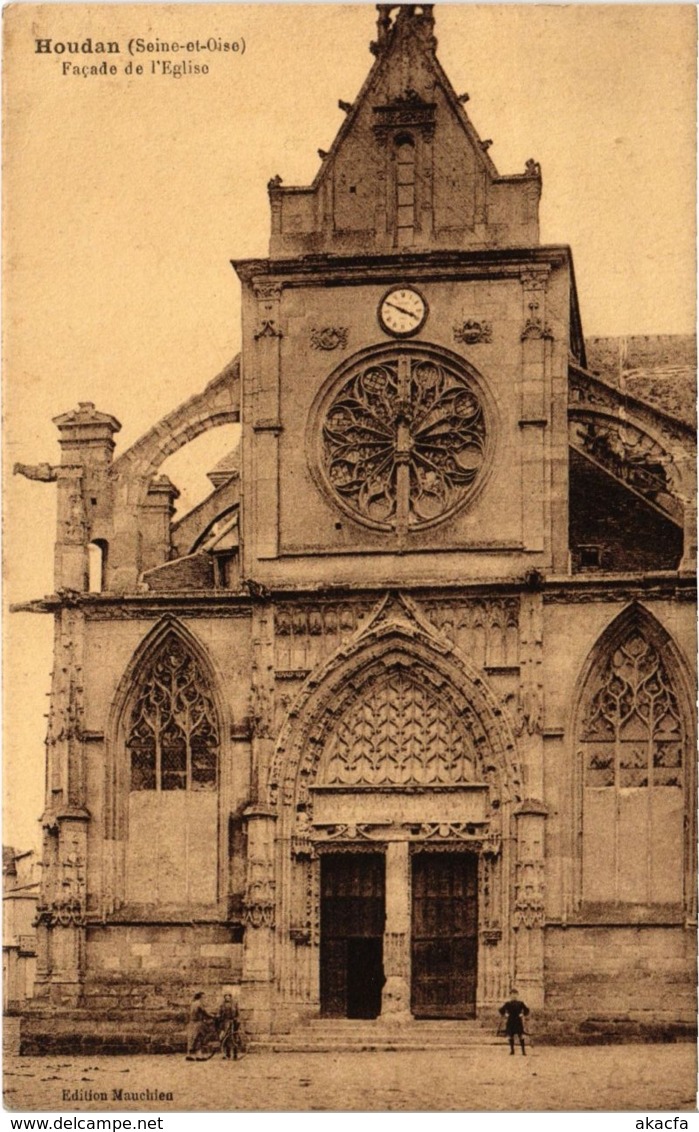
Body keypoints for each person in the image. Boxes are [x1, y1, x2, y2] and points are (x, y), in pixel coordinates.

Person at [499, 988, 530, 1055]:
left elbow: (527, 1010)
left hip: (518, 1021)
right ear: (510, 995)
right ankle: (512, 1051)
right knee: (510, 1036)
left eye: (515, 994)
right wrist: (505, 1014)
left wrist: (522, 1014)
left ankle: (523, 1051)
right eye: (512, 994)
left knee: (521, 1036)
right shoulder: (508, 1003)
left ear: (517, 995)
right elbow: (501, 1010)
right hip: (510, 1020)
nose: (514, 996)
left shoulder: (520, 1003)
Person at [186, 991, 211, 1060]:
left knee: (191, 1039)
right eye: (204, 997)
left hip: (191, 1023)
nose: (205, 999)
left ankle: (189, 1055)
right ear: (200, 997)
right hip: (198, 1023)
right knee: (199, 1038)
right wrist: (213, 1016)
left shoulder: (193, 1003)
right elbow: (205, 1013)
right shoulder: (199, 1004)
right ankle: (199, 1056)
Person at [217, 993, 241, 1060]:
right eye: (226, 997)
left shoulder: (235, 1004)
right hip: (225, 1023)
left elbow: (238, 1013)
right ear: (224, 998)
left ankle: (235, 1055)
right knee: (226, 1038)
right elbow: (219, 1013)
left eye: (228, 997)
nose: (227, 998)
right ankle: (227, 1054)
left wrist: (237, 1020)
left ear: (230, 997)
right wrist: (218, 1017)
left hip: (233, 1022)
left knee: (234, 1038)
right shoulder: (222, 1005)